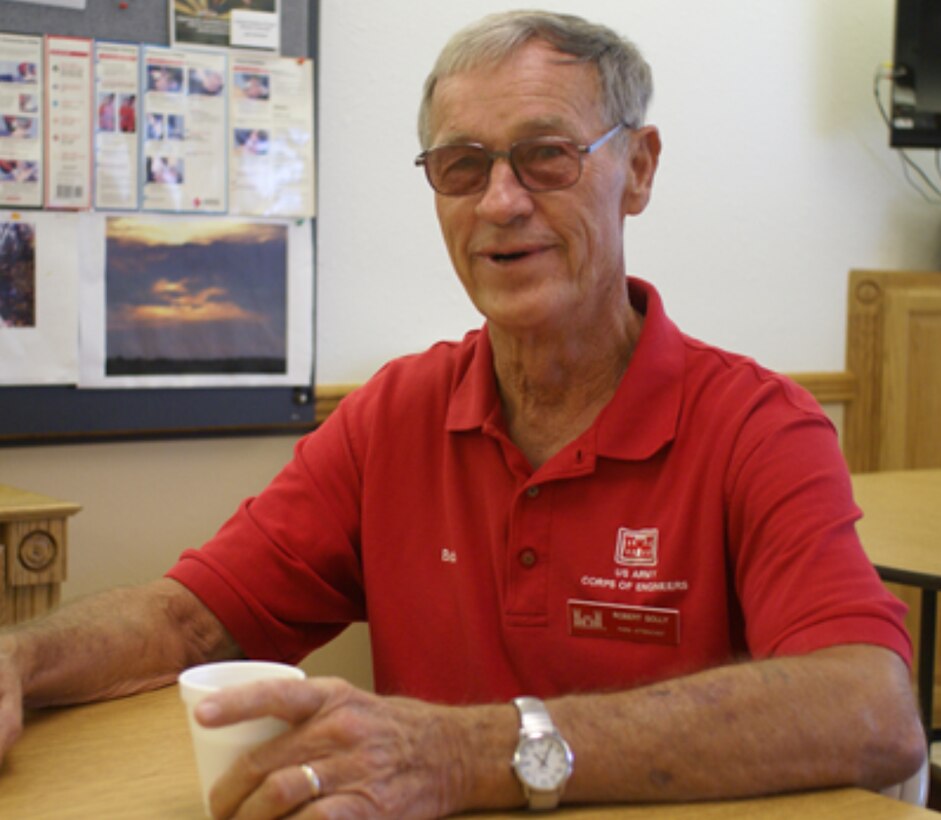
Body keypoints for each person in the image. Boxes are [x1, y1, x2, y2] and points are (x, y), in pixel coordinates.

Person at [0, 10, 926, 819]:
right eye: (461, 165)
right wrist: (20, 660)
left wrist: (467, 755)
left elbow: (869, 709)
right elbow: (190, 621)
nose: (500, 201)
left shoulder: (758, 425)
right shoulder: (394, 415)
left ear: (636, 169)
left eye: (546, 156)